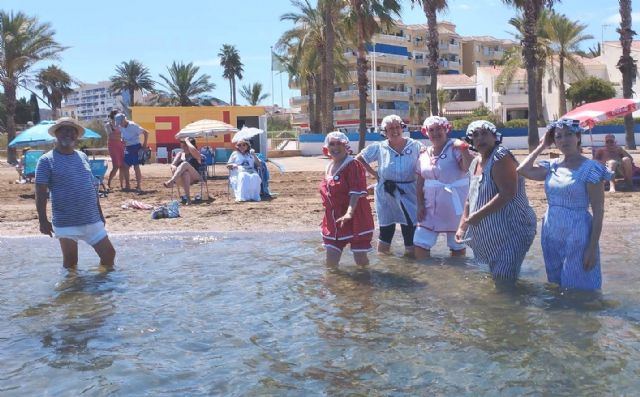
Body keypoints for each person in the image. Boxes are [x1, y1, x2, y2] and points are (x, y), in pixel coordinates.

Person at [517, 119, 612, 290]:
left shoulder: (591, 168)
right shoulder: (552, 167)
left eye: (569, 134)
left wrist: (591, 249)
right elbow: (522, 170)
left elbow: (599, 211)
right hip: (551, 231)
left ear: (578, 137)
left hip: (578, 233)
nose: (564, 140)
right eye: (558, 137)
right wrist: (542, 146)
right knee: (556, 286)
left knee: (579, 289)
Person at [455, 120, 536, 281]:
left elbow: (507, 193)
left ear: (494, 136)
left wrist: (477, 216)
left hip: (513, 228)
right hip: (492, 231)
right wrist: (462, 226)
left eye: (484, 133)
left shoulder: (500, 156)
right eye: (475, 135)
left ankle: (512, 305)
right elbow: (470, 199)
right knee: (497, 277)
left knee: (504, 279)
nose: (480, 139)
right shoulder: (475, 162)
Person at [35, 117, 116, 270]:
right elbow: (40, 192)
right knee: (71, 263)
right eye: (64, 130)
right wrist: (42, 220)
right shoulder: (46, 160)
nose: (69, 134)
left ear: (77, 136)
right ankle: (70, 293)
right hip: (66, 221)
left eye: (72, 131)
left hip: (91, 218)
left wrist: (100, 213)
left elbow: (92, 187)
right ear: (56, 134)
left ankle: (101, 288)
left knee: (109, 254)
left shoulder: (83, 156)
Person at [356, 114, 422, 256]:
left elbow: (430, 159)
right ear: (384, 132)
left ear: (402, 128)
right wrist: (375, 175)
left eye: (397, 127)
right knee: (386, 231)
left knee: (409, 231)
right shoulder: (380, 147)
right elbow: (359, 158)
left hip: (409, 193)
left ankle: (410, 269)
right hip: (386, 193)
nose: (394, 130)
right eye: (390, 128)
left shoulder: (416, 146)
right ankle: (384, 266)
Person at [415, 116, 474, 259]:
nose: (435, 133)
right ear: (426, 132)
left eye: (439, 129)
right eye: (431, 130)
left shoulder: (455, 148)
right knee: (419, 244)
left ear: (446, 129)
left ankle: (456, 277)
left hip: (455, 207)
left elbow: (467, 168)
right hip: (429, 208)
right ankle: (427, 276)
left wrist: (463, 148)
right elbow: (419, 182)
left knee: (457, 247)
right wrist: (420, 205)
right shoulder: (424, 154)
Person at [320, 132, 374, 267]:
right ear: (327, 147)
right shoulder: (329, 166)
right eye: (332, 144)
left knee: (360, 261)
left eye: (339, 143)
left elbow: (355, 193)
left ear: (346, 146)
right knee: (331, 264)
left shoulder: (353, 165)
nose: (335, 147)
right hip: (334, 219)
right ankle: (332, 287)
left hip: (356, 217)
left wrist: (349, 213)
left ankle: (365, 284)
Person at [115, 113, 149, 193]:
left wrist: (144, 144)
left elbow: (146, 132)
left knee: (136, 166)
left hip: (136, 147)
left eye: (120, 123)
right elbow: (123, 136)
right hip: (127, 148)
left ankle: (139, 186)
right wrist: (122, 140)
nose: (119, 125)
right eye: (118, 123)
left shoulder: (133, 126)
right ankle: (127, 185)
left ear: (124, 120)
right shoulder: (121, 127)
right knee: (125, 166)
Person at [163, 137, 203, 204]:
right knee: (185, 174)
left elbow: (195, 152)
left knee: (185, 164)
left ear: (190, 145)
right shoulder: (180, 154)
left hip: (196, 177)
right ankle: (188, 199)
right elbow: (172, 164)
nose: (183, 147)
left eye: (185, 145)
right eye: (182, 145)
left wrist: (187, 141)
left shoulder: (196, 154)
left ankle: (172, 181)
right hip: (183, 179)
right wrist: (173, 167)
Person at [104, 110, 125, 191]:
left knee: (122, 166)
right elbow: (111, 136)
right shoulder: (108, 125)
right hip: (113, 146)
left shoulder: (120, 124)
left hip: (121, 145)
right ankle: (109, 183)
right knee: (116, 166)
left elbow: (122, 134)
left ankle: (121, 185)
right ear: (113, 116)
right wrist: (121, 137)